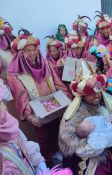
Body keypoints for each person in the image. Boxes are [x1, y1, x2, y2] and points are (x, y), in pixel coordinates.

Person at [7, 29, 72, 166]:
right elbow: (21, 97)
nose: (31, 53)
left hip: (55, 107)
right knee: (43, 139)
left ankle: (60, 158)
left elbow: (58, 84)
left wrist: (67, 100)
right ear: (21, 53)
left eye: (33, 49)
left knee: (58, 133)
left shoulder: (47, 64)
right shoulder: (17, 75)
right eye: (27, 51)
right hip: (37, 113)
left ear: (38, 50)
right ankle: (48, 164)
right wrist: (30, 116)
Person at [59, 60, 112, 175]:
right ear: (83, 96)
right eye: (92, 93)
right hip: (92, 153)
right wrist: (100, 142)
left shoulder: (107, 99)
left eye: (98, 92)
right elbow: (71, 142)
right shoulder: (76, 112)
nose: (97, 96)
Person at [0, 82, 49, 175]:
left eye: (1, 102)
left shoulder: (7, 125)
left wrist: (39, 162)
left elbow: (25, 144)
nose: (4, 108)